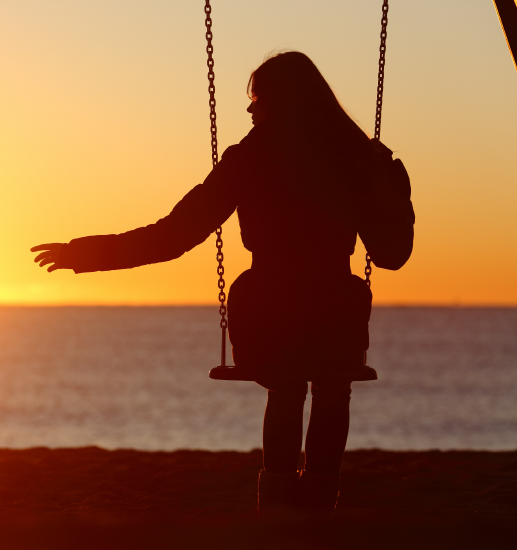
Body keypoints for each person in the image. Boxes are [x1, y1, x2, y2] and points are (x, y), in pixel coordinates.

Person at [30, 51, 414, 516]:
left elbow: (173, 236)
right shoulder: (355, 157)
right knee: (332, 387)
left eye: (258, 99)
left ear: (282, 102)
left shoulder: (249, 158)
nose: (250, 111)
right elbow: (392, 255)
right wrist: (394, 189)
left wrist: (84, 253)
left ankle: (278, 510)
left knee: (288, 385)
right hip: (335, 311)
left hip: (270, 310)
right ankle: (318, 505)